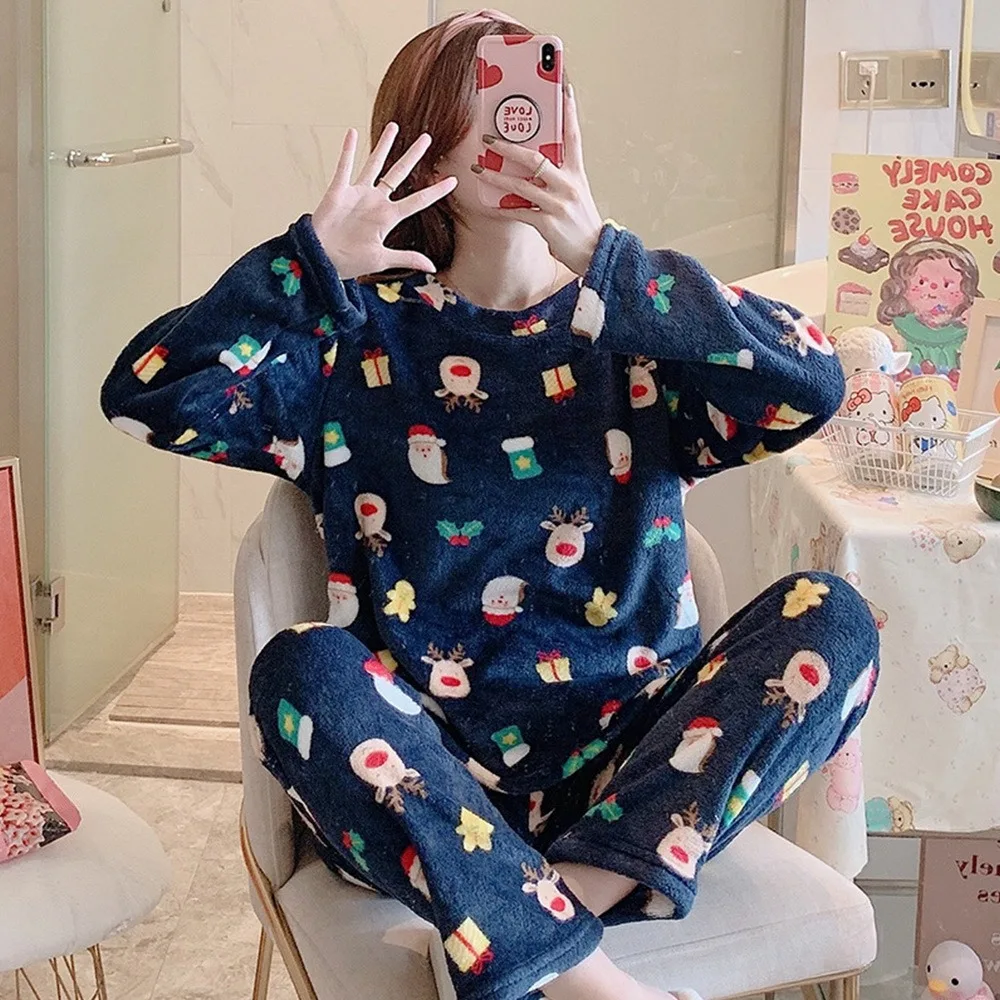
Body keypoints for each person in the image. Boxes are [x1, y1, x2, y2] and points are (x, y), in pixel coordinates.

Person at [101, 11, 878, 1000]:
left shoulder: (636, 321)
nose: (512, 126)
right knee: (301, 667)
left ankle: (526, 921)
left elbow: (811, 385)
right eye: (480, 104)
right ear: (424, 142)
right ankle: (588, 974)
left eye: (531, 100)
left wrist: (604, 254)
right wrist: (309, 263)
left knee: (835, 616)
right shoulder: (352, 338)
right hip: (424, 780)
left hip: (637, 773)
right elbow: (148, 397)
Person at [876, 236, 983, 377]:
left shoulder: (972, 336)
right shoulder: (891, 334)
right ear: (900, 288)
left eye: (947, 285)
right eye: (921, 283)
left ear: (966, 292)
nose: (933, 294)